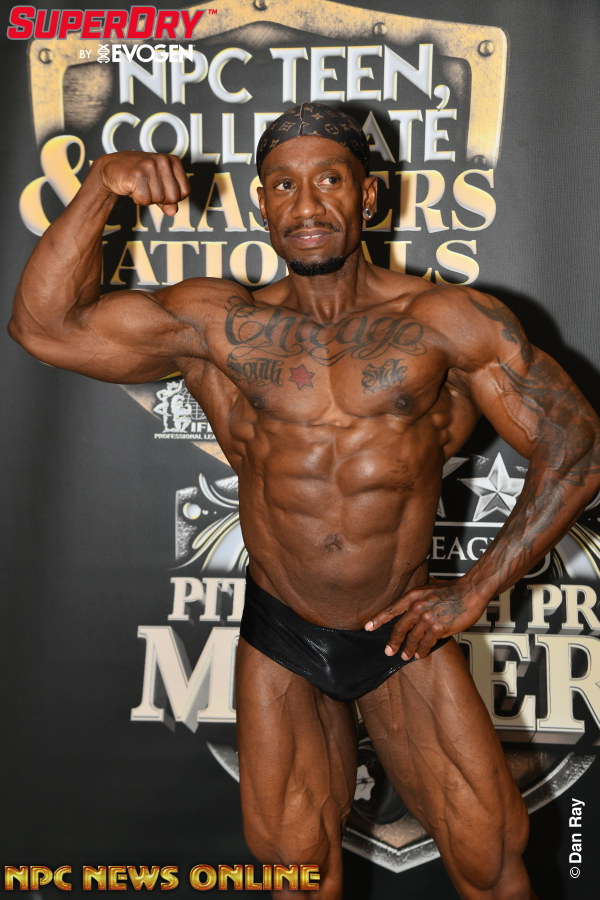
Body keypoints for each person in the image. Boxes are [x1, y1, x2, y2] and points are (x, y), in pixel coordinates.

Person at [9, 102, 600, 900]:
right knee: (297, 878)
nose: (306, 203)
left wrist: (473, 592)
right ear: (262, 204)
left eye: (329, 180)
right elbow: (44, 327)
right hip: (282, 629)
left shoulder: (444, 321)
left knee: (492, 864)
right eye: (283, 185)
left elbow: (576, 449)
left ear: (368, 196)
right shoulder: (220, 324)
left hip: (401, 630)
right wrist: (102, 185)